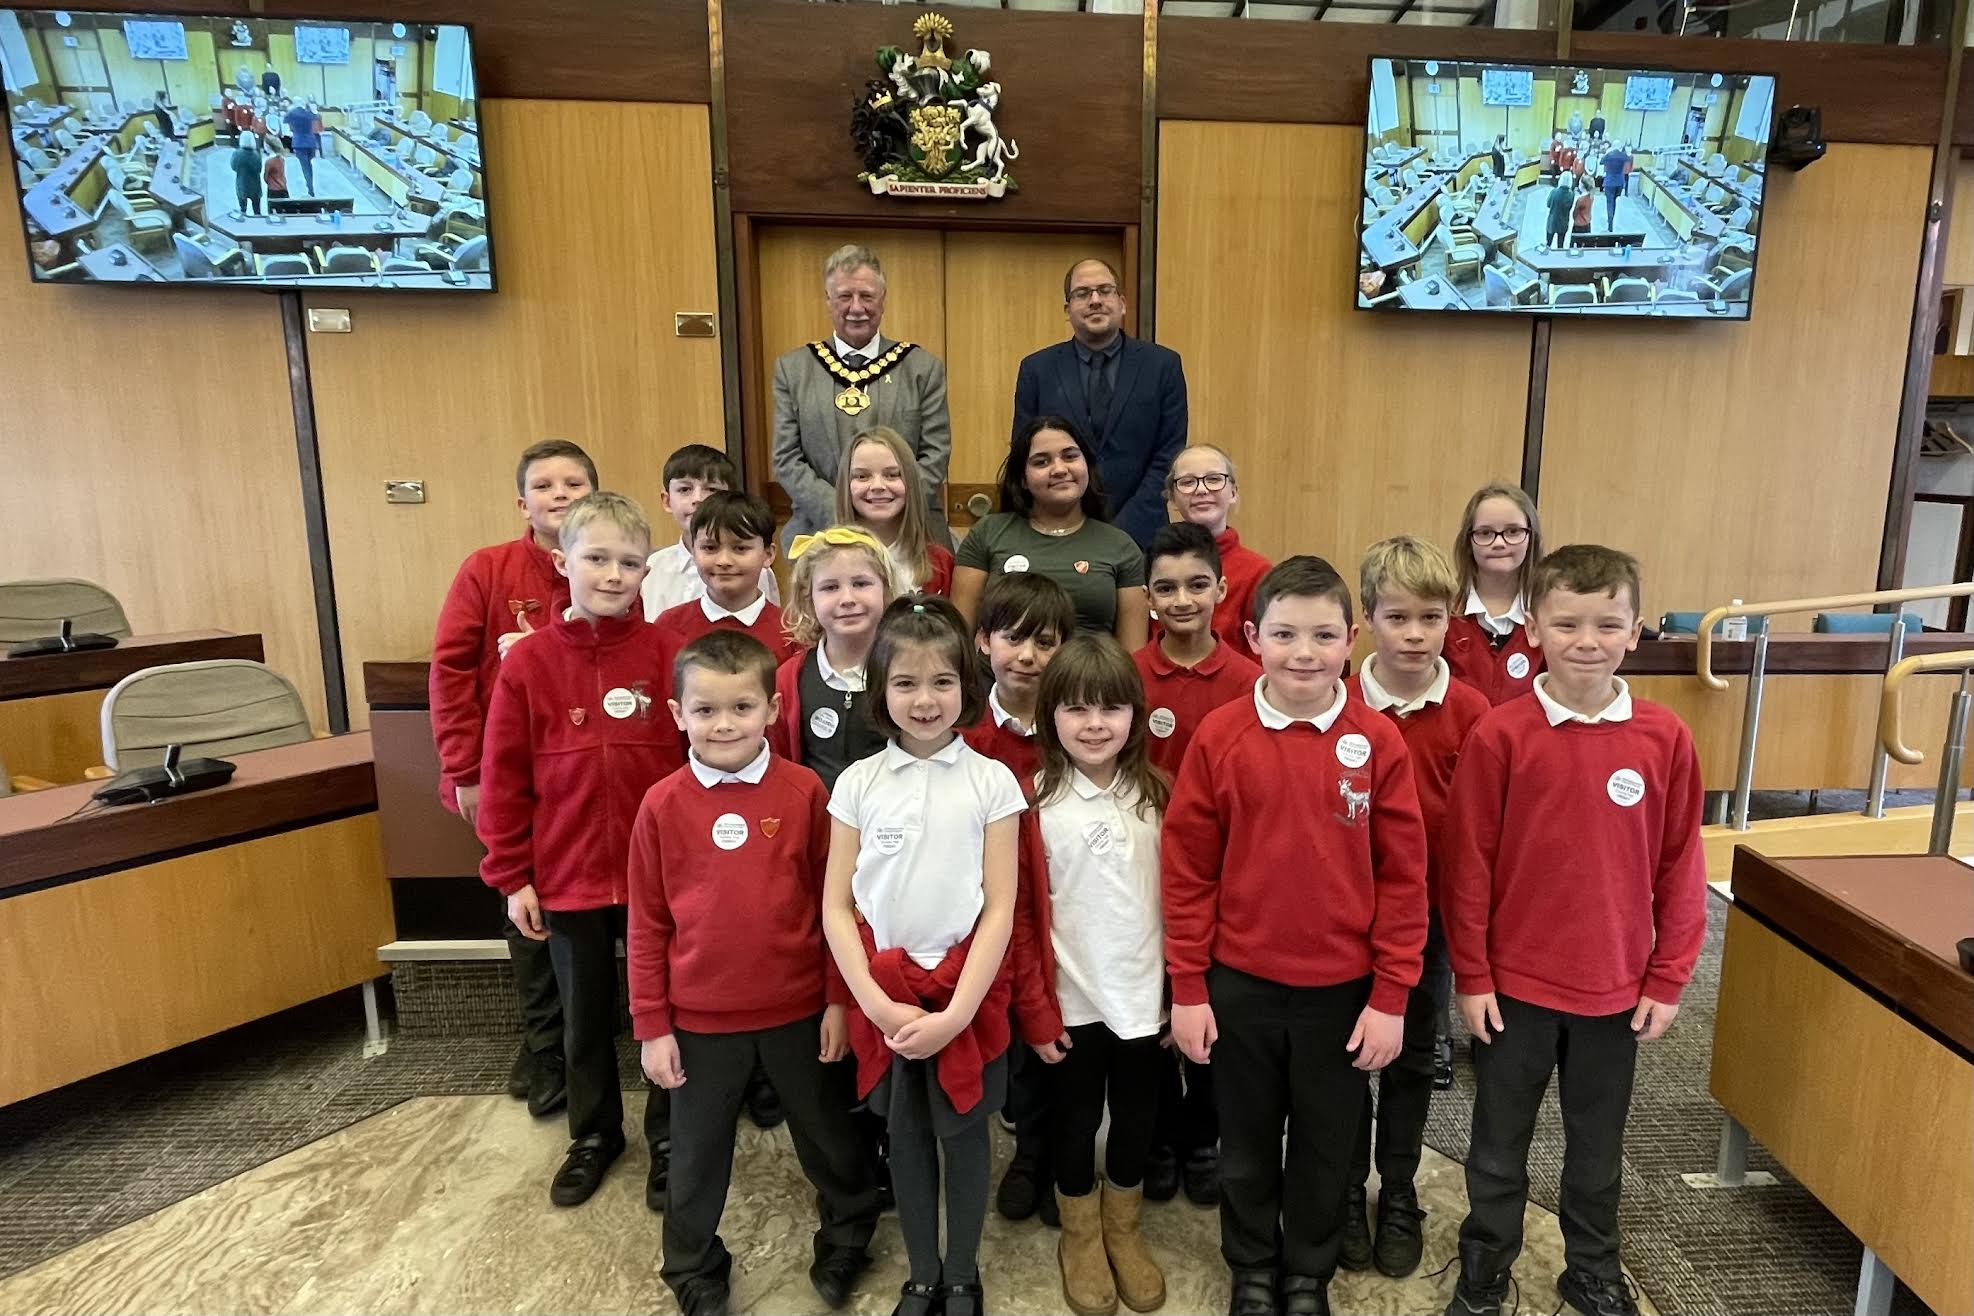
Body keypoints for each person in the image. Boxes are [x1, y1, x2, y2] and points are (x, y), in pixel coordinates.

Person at [1439, 546, 1706, 1316]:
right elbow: (1469, 868)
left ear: (1634, 632)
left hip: (1614, 991)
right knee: (1496, 1145)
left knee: (1596, 1151)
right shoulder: (1501, 735)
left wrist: (1669, 974)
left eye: (1606, 623)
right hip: (1513, 989)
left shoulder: (1665, 738)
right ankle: (1484, 1265)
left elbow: (1681, 864)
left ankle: (1591, 1268)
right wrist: (1474, 974)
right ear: (1534, 630)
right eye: (1566, 622)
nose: (1586, 639)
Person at [1163, 556, 1428, 1316]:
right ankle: (1251, 1264)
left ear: (1351, 639)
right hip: (1239, 983)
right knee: (1243, 1142)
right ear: (1252, 636)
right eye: (1284, 635)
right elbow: (1187, 871)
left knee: (1325, 1143)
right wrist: (1188, 986)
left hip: (1342, 994)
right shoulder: (1220, 736)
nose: (1303, 653)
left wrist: (1390, 995)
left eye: (1321, 635)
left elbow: (1405, 880)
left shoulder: (1377, 742)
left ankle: (1308, 1271)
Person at [629, 630, 881, 1316]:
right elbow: (648, 924)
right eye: (705, 710)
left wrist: (837, 1001)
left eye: (741, 707)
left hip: (800, 1009)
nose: (724, 724)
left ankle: (850, 1232)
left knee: (829, 1135)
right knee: (696, 1154)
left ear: (773, 709)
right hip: (700, 1020)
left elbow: (838, 909)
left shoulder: (805, 793)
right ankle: (691, 1266)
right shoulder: (660, 806)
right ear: (677, 714)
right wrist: (652, 1026)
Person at [476, 492, 681, 1209]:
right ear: (563, 563)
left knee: (665, 1012)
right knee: (584, 1016)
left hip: (660, 881)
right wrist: (511, 875)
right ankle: (594, 1134)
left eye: (630, 562)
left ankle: (668, 1137)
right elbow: (503, 777)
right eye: (597, 559)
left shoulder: (667, 655)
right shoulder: (528, 664)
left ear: (647, 569)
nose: (614, 575)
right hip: (567, 879)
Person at [824, 596, 1026, 1316]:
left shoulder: (991, 782)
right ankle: (921, 1272)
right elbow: (836, 906)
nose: (925, 699)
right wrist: (875, 1006)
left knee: (966, 1137)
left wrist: (960, 1011)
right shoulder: (857, 785)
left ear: (967, 688)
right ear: (879, 691)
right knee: (905, 1140)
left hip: (967, 993)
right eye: (905, 683)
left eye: (942, 681)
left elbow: (1001, 906)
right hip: (889, 995)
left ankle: (964, 1271)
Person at [1339, 537, 1491, 1281]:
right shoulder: (1333, 699)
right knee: (1341, 1063)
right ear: (1367, 619)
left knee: (1404, 1059)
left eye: (1430, 617)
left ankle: (1395, 1190)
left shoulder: (1470, 711)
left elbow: (1478, 832)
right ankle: (1342, 1189)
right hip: (1337, 917)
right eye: (1396, 616)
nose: (1413, 633)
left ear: (1450, 621)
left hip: (1422, 920)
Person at [429, 438, 591, 1119]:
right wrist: (465, 768)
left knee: (577, 908)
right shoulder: (488, 570)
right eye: (545, 485)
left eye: (574, 483)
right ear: (523, 503)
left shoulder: (603, 570)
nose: (560, 494)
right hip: (509, 770)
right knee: (524, 904)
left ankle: (583, 1038)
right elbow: (451, 671)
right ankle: (543, 1042)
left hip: (584, 770)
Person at [1009, 635, 1170, 1316]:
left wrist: (1180, 994)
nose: (1095, 724)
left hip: (1146, 1001)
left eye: (1110, 708)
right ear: (1050, 717)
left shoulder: (1159, 794)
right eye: (1076, 709)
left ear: (1135, 714)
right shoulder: (1031, 801)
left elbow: (1188, 900)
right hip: (1071, 1003)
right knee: (1074, 1124)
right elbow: (1014, 917)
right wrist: (1036, 1011)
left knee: (1136, 1121)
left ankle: (1122, 1229)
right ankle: (1079, 1235)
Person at [1132, 521, 1257, 1209]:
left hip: (1225, 874)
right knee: (1153, 1007)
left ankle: (1205, 1134)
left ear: (1222, 590)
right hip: (1144, 870)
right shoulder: (1129, 675)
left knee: (1214, 1006)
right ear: (1149, 597)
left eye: (1196, 585)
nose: (1182, 600)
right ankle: (1159, 1135)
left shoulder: (1249, 681)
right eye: (1167, 588)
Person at [773, 244, 953, 551]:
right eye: (844, 296)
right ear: (828, 301)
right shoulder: (793, 370)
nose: (857, 308)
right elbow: (787, 458)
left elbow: (935, 454)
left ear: (882, 301)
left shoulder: (922, 368)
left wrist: (888, 514)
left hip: (912, 537)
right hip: (819, 530)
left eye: (867, 296)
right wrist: (844, 512)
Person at [1010, 258, 1188, 547]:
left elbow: (1168, 455)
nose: (1095, 300)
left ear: (1122, 303)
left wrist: (1121, 530)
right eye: (1082, 293)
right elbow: (1026, 452)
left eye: (1105, 291)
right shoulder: (1036, 369)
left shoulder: (1162, 365)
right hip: (1057, 531)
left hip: (1140, 536)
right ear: (1068, 310)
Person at [952, 416, 1149, 649]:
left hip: (1090, 681)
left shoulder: (1121, 546)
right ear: (1023, 479)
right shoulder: (987, 533)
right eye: (1041, 462)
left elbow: (1132, 658)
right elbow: (959, 641)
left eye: (1070, 456)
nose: (1059, 469)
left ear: (1087, 465)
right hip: (1002, 681)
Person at [769, 526, 897, 792]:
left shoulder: (906, 672)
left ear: (885, 590)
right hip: (817, 823)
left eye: (861, 584)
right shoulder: (790, 678)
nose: (847, 599)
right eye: (829, 587)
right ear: (808, 599)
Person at [652, 491, 797, 665]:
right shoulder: (669, 626)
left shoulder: (791, 631)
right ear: (693, 551)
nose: (724, 561)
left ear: (768, 554)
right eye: (710, 548)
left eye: (740, 548)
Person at [640, 444, 780, 621]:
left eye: (712, 489)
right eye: (685, 489)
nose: (697, 499)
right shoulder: (654, 566)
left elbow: (770, 623)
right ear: (667, 501)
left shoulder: (755, 569)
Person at [965, 572, 1074, 794]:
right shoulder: (961, 733)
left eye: (1044, 643)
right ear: (985, 641)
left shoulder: (1079, 730)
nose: (1026, 655)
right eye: (1014, 638)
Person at [1446, 482, 1546, 705]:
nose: (1499, 543)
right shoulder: (1444, 613)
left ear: (1531, 537)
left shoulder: (1549, 615)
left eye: (1513, 531)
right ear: (1468, 541)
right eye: (1485, 533)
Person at [1165, 444, 1271, 644]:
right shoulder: (1157, 565)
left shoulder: (1258, 571)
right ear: (1172, 498)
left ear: (1233, 492)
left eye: (1214, 479)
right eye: (1188, 482)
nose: (1202, 490)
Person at [834, 426, 955, 595]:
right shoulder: (822, 562)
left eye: (892, 475)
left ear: (911, 482)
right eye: (862, 476)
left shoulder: (939, 562)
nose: (877, 486)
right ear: (845, 485)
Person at [284, 99, 322, 196]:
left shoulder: (292, 113)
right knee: (309, 165)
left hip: (299, 142)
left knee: (305, 166)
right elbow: (316, 116)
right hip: (310, 142)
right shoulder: (308, 113)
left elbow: (285, 119)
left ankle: (310, 187)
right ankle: (310, 183)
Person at [229, 132, 263, 216]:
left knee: (243, 208)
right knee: (257, 209)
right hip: (255, 185)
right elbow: (259, 169)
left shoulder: (237, 154)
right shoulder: (256, 155)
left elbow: (233, 167)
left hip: (242, 184)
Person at [1600, 142, 1633, 230]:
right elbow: (1628, 158)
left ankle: (1610, 222)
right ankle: (1611, 219)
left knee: (1609, 202)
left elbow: (1601, 161)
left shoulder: (1609, 155)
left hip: (1610, 182)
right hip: (1619, 182)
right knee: (1614, 201)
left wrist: (1607, 153)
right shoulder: (1622, 155)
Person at [1544, 176, 1573, 252]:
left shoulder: (1554, 192)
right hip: (1563, 222)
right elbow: (1569, 207)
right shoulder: (1571, 195)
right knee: (1560, 245)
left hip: (1552, 221)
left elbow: (1548, 204)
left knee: (1548, 243)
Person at [262, 136, 289, 206]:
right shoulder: (281, 159)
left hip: (273, 189)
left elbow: (266, 177)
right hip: (283, 187)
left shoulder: (269, 161)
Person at [1571, 177, 1594, 241]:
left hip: (1579, 224)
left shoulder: (1581, 200)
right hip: (1587, 222)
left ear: (1582, 185)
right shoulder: (1591, 196)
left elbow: (1574, 213)